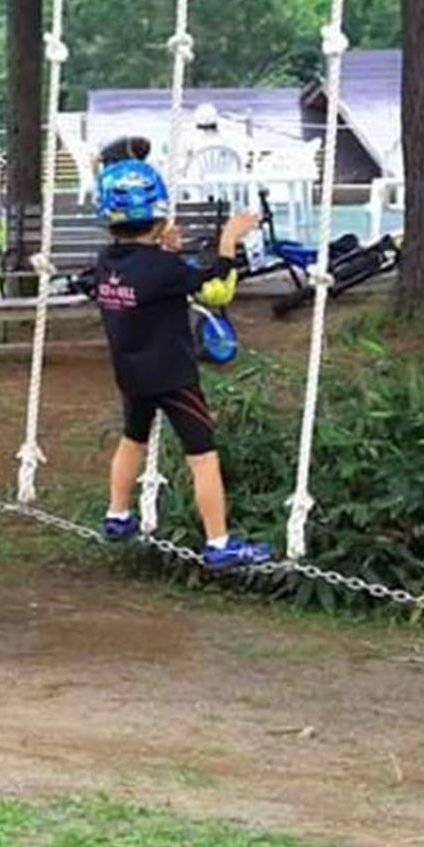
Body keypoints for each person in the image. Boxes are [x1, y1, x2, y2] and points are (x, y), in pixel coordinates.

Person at [90, 158, 269, 569]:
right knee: (202, 455)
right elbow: (215, 289)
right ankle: (219, 541)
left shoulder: (107, 262)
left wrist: (165, 249)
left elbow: (151, 278)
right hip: (173, 377)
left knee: (132, 437)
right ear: (157, 217)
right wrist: (229, 240)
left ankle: (117, 514)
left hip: (131, 374)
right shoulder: (163, 267)